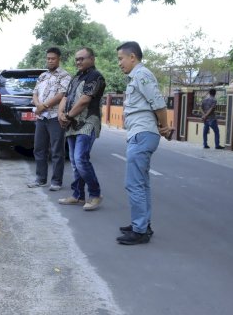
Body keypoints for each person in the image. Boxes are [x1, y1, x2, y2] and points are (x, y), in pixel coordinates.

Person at [116, 41, 173, 245]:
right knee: (142, 183)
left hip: (142, 134)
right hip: (140, 134)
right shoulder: (137, 77)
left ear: (133, 57)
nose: (119, 63)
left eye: (121, 58)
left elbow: (158, 103)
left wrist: (165, 127)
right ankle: (142, 224)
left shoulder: (142, 75)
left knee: (133, 184)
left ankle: (139, 230)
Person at [57, 48, 106, 211]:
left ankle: (95, 194)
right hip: (71, 124)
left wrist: (68, 116)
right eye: (76, 59)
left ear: (92, 59)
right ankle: (78, 195)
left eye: (82, 59)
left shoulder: (96, 76)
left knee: (80, 159)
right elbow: (65, 97)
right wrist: (60, 114)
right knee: (74, 162)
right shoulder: (76, 77)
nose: (78, 62)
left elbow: (85, 100)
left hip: (88, 122)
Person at [27, 47, 72, 191]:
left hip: (54, 117)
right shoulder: (42, 76)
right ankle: (40, 179)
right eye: (48, 58)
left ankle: (56, 182)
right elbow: (34, 93)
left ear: (59, 59)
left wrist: (44, 105)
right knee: (39, 149)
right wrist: (39, 105)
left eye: (53, 58)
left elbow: (61, 95)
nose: (50, 61)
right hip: (41, 118)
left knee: (57, 150)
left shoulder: (64, 76)